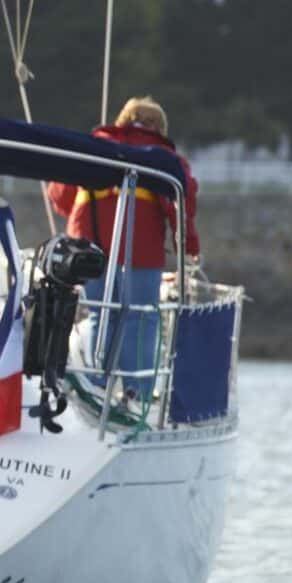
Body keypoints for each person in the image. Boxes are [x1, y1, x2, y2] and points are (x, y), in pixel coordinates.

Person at [46, 97, 200, 400]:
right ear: (159, 128)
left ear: (122, 120)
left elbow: (60, 196)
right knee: (140, 317)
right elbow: (183, 204)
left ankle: (96, 388)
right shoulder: (165, 158)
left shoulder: (92, 146)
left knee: (101, 314)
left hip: (87, 247)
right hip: (139, 247)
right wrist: (189, 246)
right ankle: (137, 392)